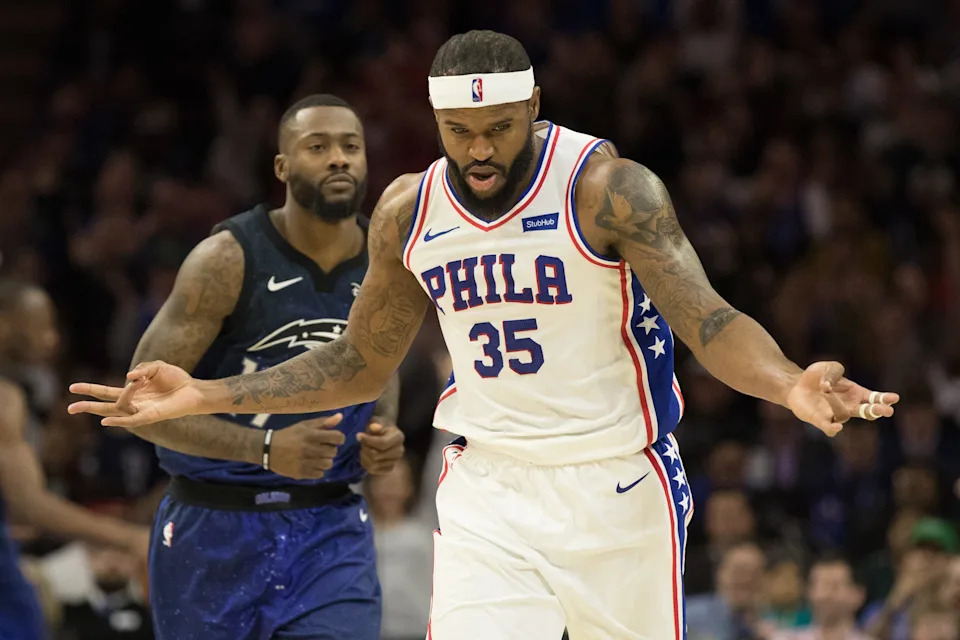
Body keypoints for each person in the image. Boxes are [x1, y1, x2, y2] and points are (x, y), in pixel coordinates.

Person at [69, 31, 900, 639]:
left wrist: (788, 380)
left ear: (534, 107)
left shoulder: (607, 190)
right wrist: (209, 390)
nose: (478, 150)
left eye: (498, 128)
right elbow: (359, 361)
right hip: (489, 491)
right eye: (459, 132)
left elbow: (708, 320)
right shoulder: (408, 210)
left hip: (617, 483)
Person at [78, 94, 404, 640]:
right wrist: (267, 449)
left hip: (329, 528)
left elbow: (376, 363)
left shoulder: (386, 259)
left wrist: (383, 429)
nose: (339, 159)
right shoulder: (226, 259)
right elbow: (145, 408)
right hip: (214, 527)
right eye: (317, 147)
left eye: (351, 146)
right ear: (282, 166)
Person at [0, 279, 149, 640]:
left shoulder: (28, 390)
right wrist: (128, 537)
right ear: (4, 325)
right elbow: (29, 505)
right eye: (41, 325)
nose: (52, 339)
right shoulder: (5, 400)